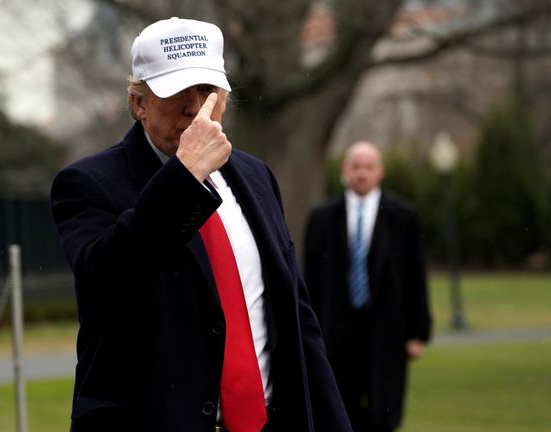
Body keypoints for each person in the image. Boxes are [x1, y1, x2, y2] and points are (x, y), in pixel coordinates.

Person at [50, 17, 352, 432]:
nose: (195, 107)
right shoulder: (88, 183)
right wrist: (184, 175)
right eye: (176, 91)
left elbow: (295, 317)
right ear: (139, 103)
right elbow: (108, 278)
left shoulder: (256, 176)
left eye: (208, 90)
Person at [303, 141, 432, 432]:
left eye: (368, 167)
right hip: (335, 328)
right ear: (345, 170)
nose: (362, 173)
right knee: (338, 409)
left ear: (380, 172)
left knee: (383, 410)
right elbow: (309, 278)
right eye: (356, 166)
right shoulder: (322, 217)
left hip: (386, 327)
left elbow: (415, 277)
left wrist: (417, 333)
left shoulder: (403, 217)